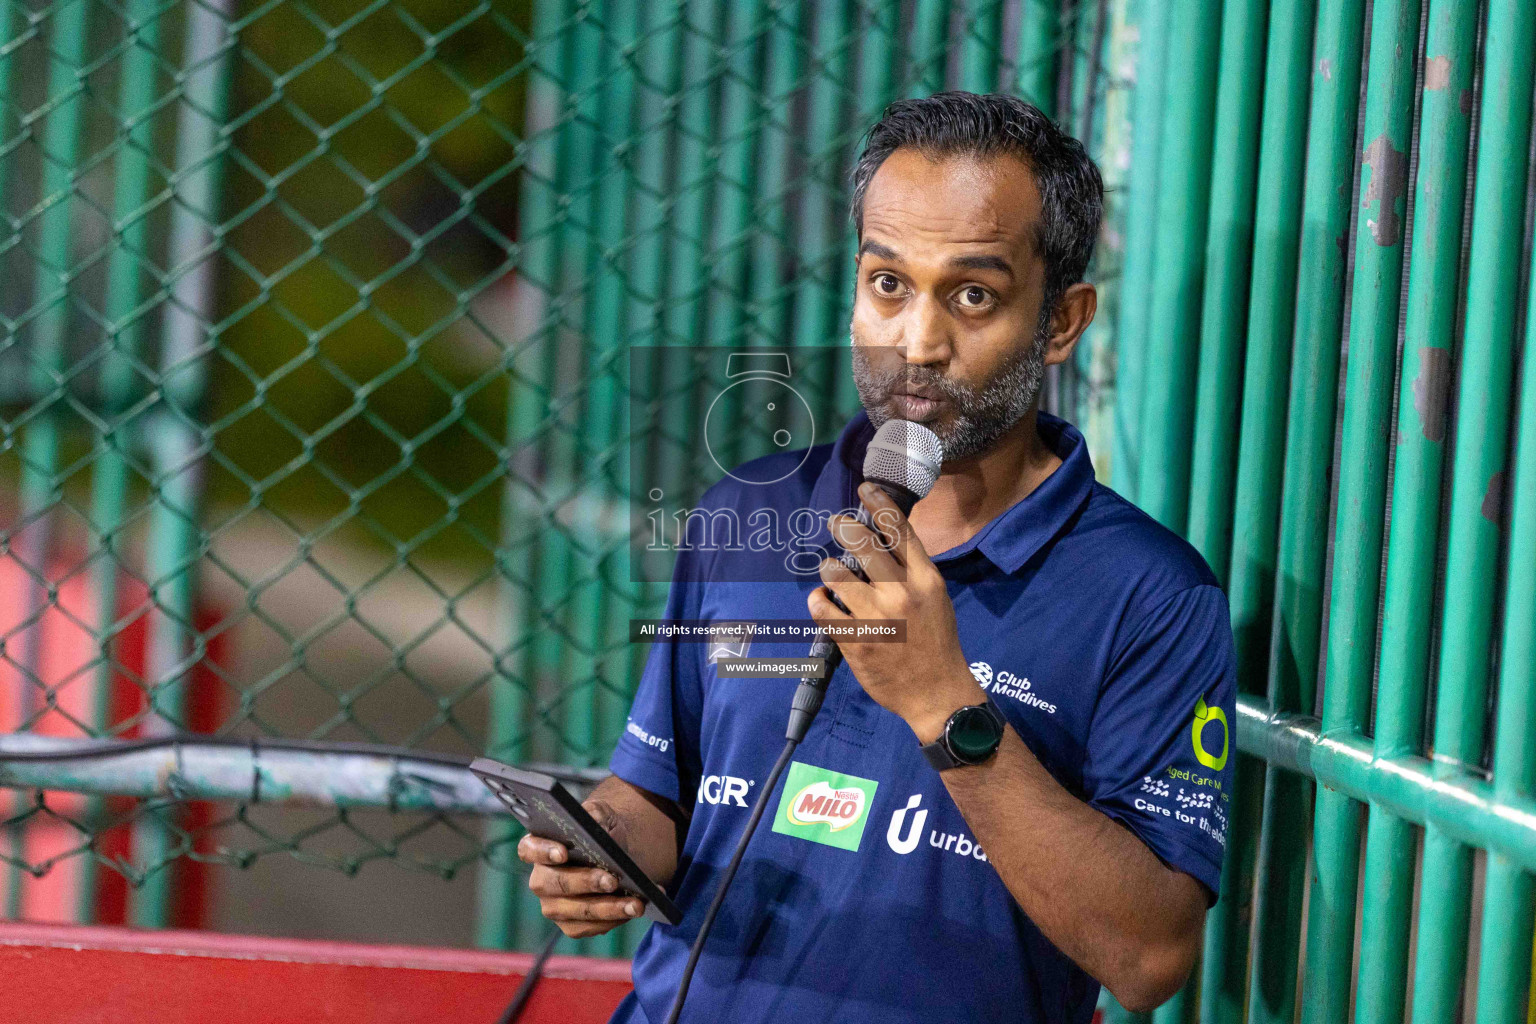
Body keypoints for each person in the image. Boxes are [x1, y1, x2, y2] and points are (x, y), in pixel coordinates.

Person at [518, 91, 1237, 1023]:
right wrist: (603, 846)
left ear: (1062, 321)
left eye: (972, 294)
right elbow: (662, 787)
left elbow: (1150, 957)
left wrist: (944, 702)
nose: (918, 342)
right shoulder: (748, 510)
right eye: (888, 284)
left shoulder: (1152, 595)